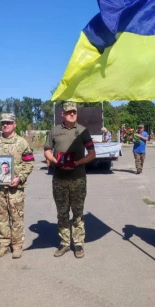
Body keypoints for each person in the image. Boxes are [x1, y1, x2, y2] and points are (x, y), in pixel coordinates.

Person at [44, 102, 96, 259]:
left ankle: (78, 243)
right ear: (63, 114)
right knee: (62, 212)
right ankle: (65, 243)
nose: (72, 114)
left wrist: (78, 163)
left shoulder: (82, 131)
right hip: (59, 179)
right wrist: (55, 161)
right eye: (68, 112)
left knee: (78, 212)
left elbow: (92, 153)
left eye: (74, 112)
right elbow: (46, 150)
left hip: (78, 178)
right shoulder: (54, 131)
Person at [0, 113, 34, 259]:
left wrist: (20, 177)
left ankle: (17, 246)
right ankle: (4, 244)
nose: (5, 125)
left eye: (8, 122)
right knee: (1, 218)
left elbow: (29, 162)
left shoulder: (22, 143)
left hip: (15, 189)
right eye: (3, 123)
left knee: (17, 218)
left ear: (14, 124)